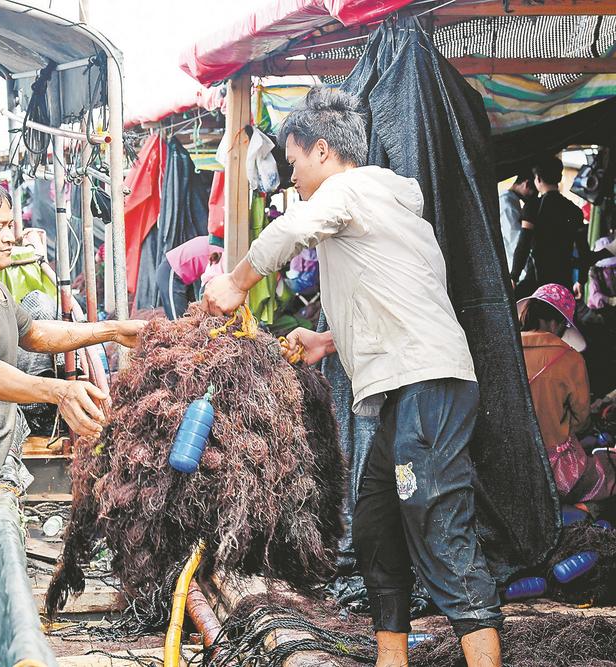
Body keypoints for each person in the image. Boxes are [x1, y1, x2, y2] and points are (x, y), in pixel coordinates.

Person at [201, 87, 503, 667]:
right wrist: (327, 341)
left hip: (428, 387)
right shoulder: (381, 207)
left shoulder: (350, 189)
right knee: (376, 531)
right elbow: (401, 301)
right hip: (401, 389)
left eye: (292, 163)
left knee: (440, 527)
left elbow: (288, 233)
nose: (291, 178)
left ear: (322, 152)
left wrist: (237, 282)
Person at [0, 175, 145, 486]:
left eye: (10, 226)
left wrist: (111, 331)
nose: (9, 237)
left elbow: (33, 334)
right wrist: (58, 391)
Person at [519, 284, 616, 503]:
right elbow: (581, 421)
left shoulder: (505, 348)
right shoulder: (570, 359)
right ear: (556, 322)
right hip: (555, 472)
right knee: (608, 469)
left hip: (510, 465)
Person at [510, 156, 590, 299]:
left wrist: (514, 276)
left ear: (538, 179)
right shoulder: (574, 211)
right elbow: (583, 249)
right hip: (563, 280)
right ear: (559, 178)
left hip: (537, 279)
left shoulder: (532, 207)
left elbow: (524, 243)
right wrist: (580, 280)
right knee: (561, 319)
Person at [156, 235, 213, 319]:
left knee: (191, 320)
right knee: (178, 323)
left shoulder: (219, 242)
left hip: (187, 278)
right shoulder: (220, 252)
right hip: (171, 272)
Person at [499, 170, 535, 279]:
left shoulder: (512, 201)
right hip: (516, 268)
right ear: (526, 184)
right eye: (533, 191)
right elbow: (515, 240)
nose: (533, 196)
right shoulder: (507, 204)